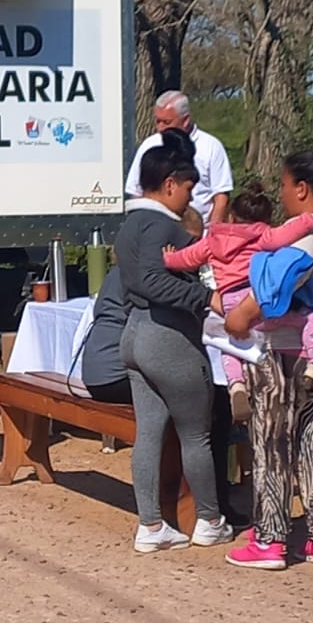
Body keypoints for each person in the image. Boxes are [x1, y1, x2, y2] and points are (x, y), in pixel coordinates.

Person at [223, 145, 313, 571]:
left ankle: (270, 538)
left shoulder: (308, 230)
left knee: (271, 441)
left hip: (286, 353)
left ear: (301, 189)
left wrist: (240, 316)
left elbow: (277, 284)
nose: (280, 195)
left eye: (282, 185)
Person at [116, 129, 234, 553]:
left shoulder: (129, 224)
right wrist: (206, 298)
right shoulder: (162, 225)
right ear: (169, 185)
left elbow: (140, 280)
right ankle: (209, 519)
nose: (190, 197)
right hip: (168, 337)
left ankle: (151, 526)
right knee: (195, 435)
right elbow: (154, 280)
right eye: (187, 188)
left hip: (134, 334)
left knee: (148, 433)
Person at [163, 183, 313, 422]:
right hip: (255, 302)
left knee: (229, 344)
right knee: (307, 318)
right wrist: (309, 220)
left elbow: (186, 259)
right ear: (265, 219)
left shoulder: (212, 241)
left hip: (228, 304)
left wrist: (168, 258)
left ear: (231, 216)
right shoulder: (262, 235)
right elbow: (289, 233)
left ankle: (236, 385)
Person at [125, 91, 233, 227]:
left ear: (185, 120)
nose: (160, 128)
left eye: (166, 122)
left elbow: (221, 196)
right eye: (157, 121)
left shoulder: (211, 146)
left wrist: (212, 233)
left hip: (199, 231)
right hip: (157, 228)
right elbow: (136, 191)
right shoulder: (149, 145)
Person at [80, 266, 132, 404]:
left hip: (92, 377)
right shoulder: (143, 275)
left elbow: (97, 310)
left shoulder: (114, 273)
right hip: (116, 380)